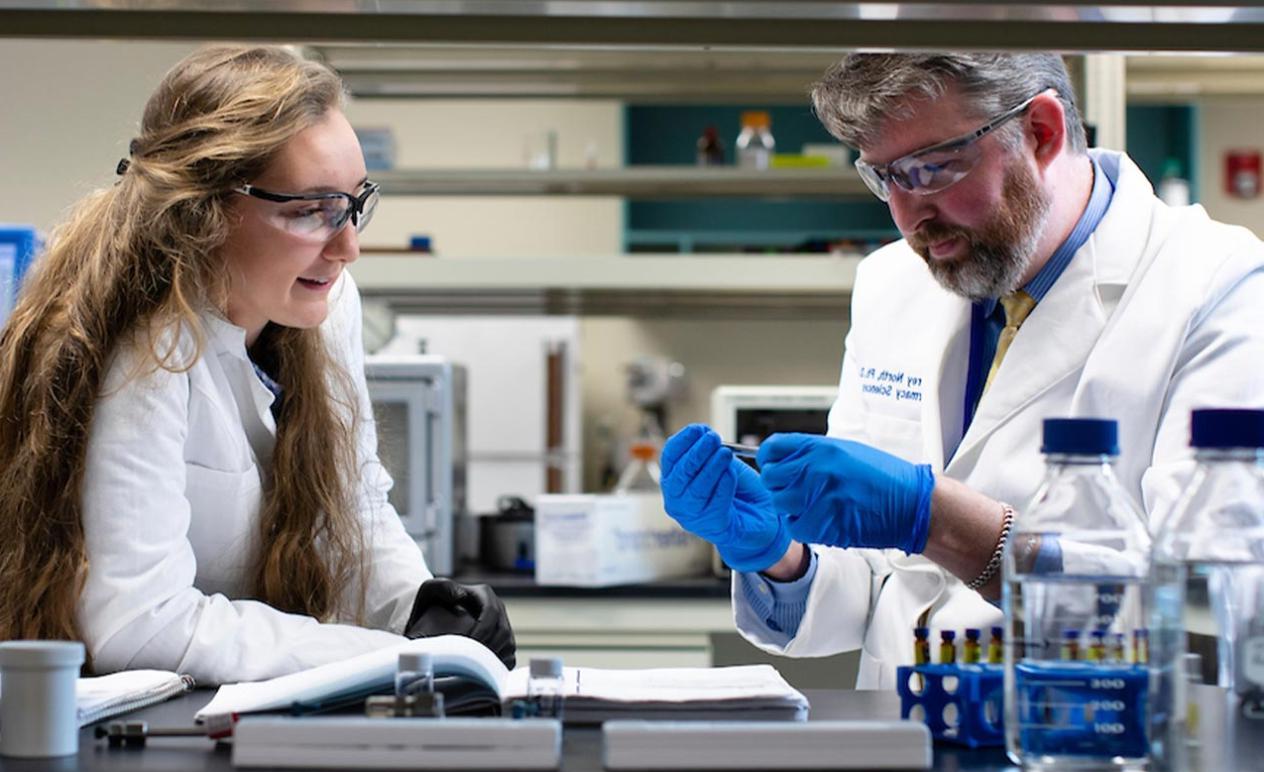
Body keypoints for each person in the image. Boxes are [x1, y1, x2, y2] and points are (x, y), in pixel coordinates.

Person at [660, 52, 1264, 689]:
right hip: (903, 749)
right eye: (884, 177)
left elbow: (1215, 606)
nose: (909, 215)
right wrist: (776, 555)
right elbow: (875, 581)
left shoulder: (1217, 289)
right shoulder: (891, 282)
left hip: (1084, 751)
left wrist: (940, 522)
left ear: (1042, 132)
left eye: (933, 168)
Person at [0, 45, 515, 686]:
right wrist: (386, 655)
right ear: (202, 212)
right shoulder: (146, 343)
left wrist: (416, 608)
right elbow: (138, 626)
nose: (348, 247)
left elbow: (352, 502)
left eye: (355, 203)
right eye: (311, 211)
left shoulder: (322, 301)